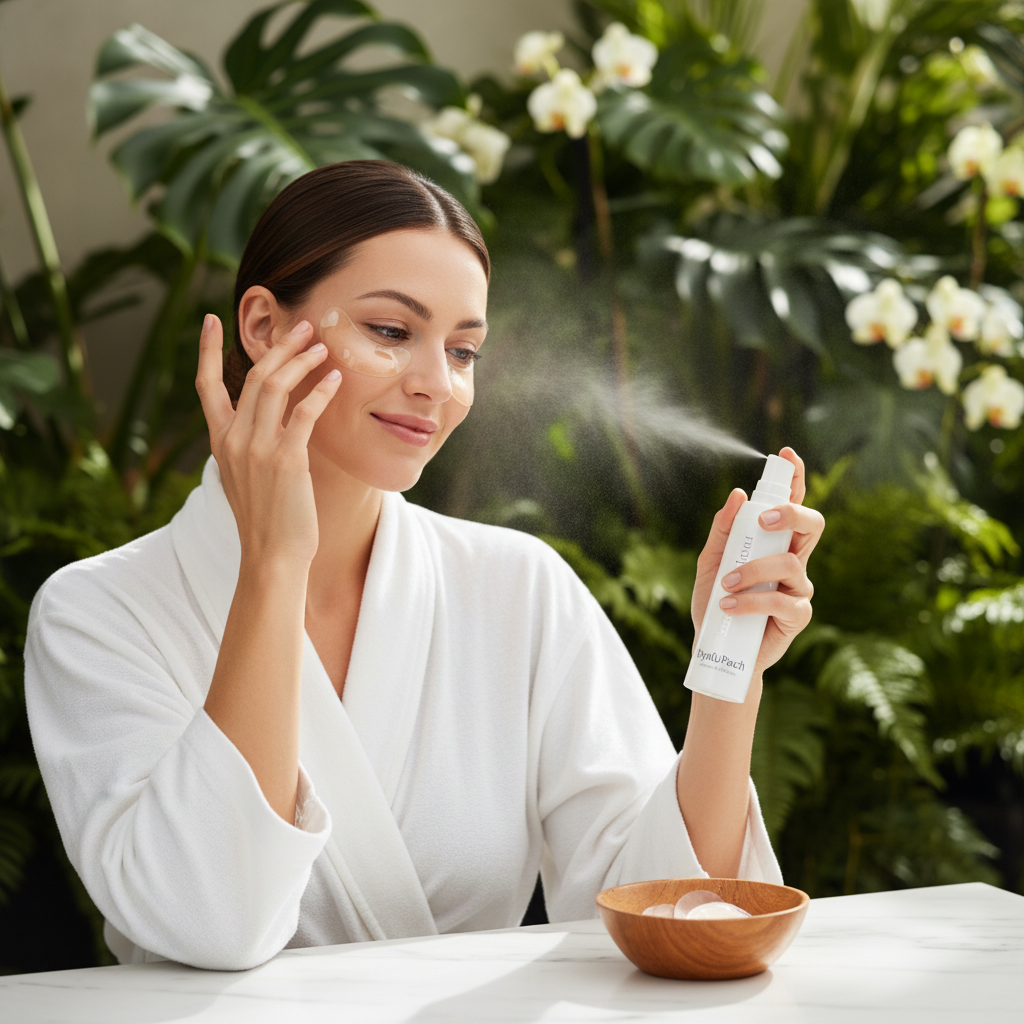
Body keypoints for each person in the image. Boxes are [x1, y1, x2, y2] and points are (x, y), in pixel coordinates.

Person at [25, 161, 824, 971]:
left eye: (464, 350)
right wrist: (273, 564)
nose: (436, 385)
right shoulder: (96, 614)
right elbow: (213, 922)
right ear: (263, 327)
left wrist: (730, 673)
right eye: (392, 332)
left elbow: (674, 911)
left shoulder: (518, 587)